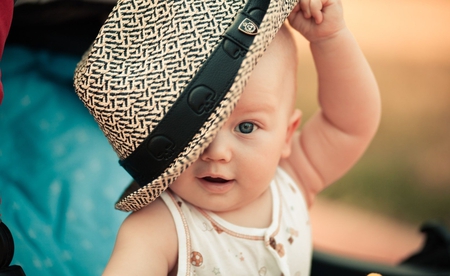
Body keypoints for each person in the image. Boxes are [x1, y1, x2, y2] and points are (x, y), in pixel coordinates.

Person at [103, 0, 381, 275]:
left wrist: (330, 38)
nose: (217, 151)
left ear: (286, 135)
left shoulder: (292, 178)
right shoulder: (157, 228)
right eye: (193, 131)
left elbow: (348, 124)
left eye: (246, 127)